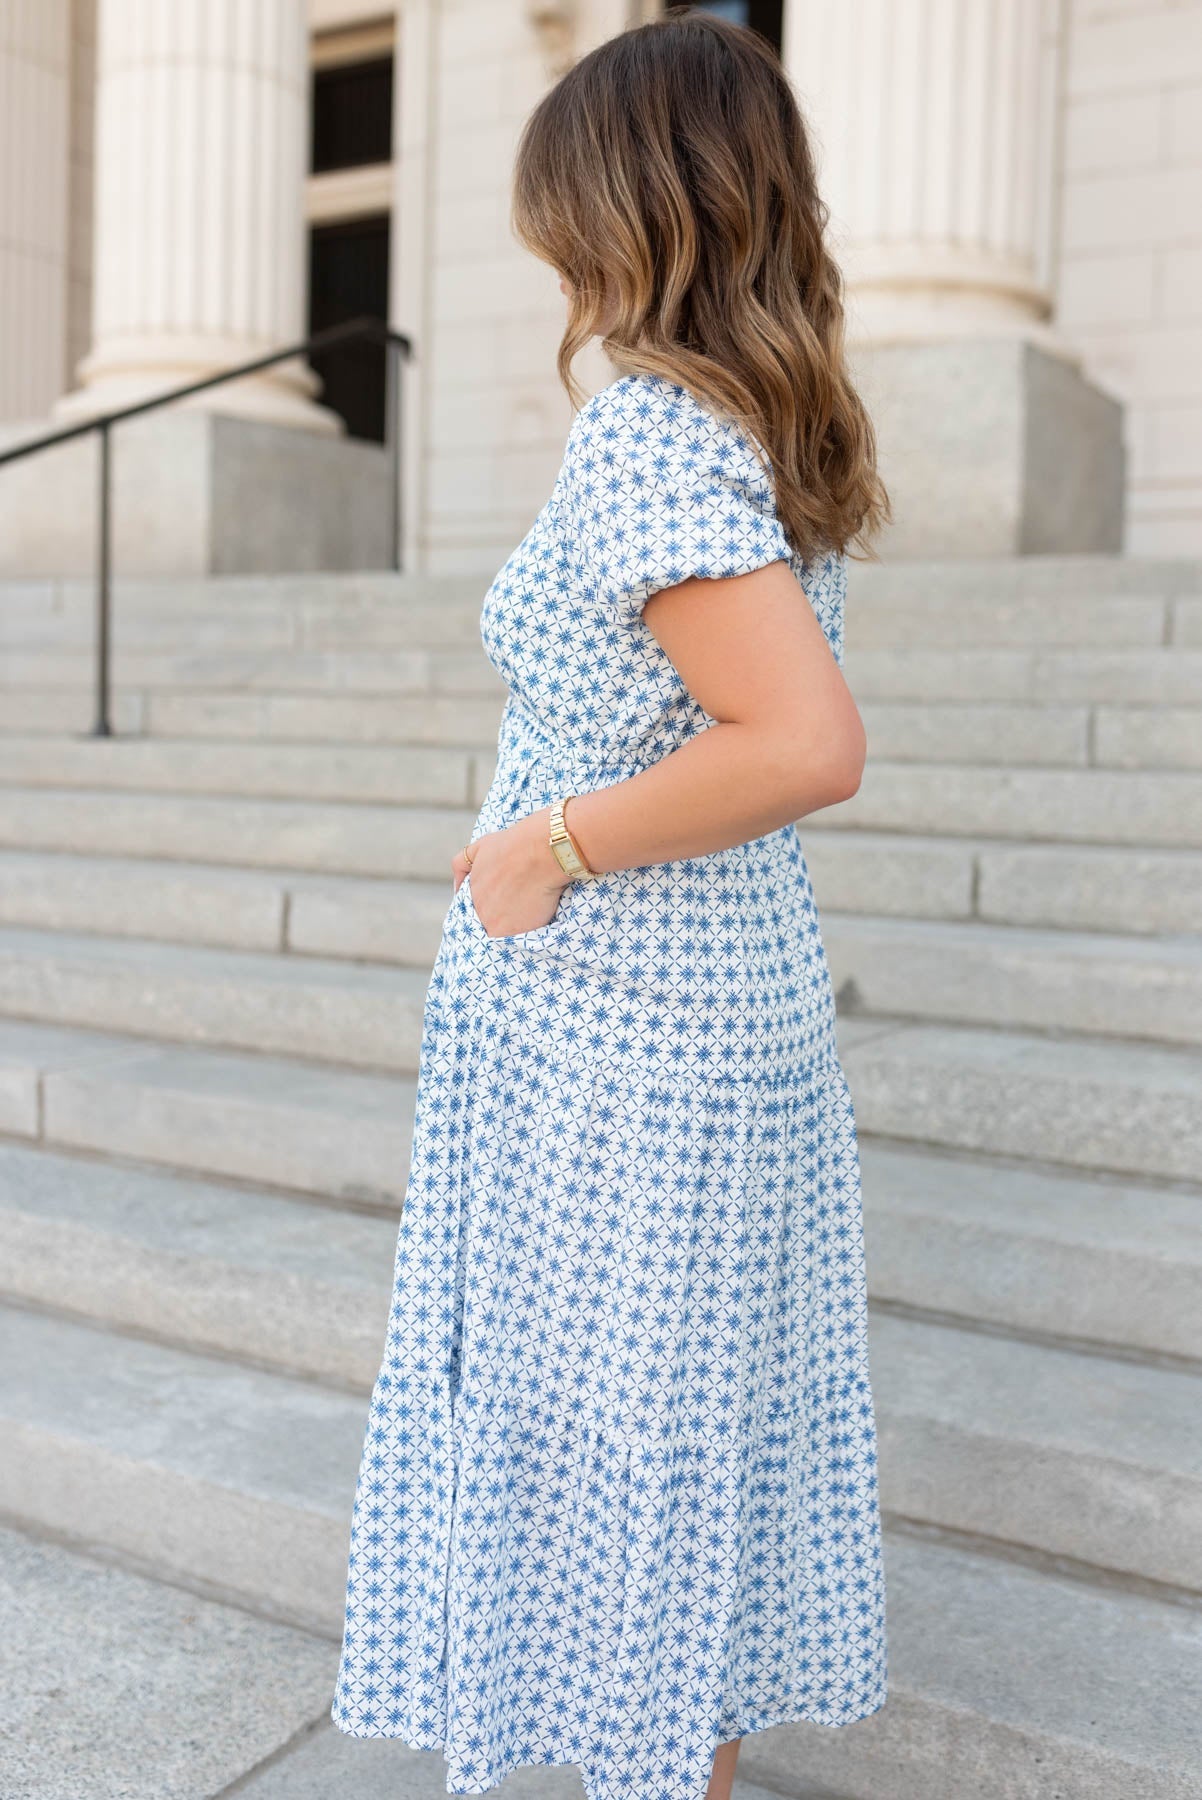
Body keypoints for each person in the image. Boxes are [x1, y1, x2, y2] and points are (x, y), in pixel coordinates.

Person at [332, 12, 890, 1800]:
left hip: (623, 1047)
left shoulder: (651, 434)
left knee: (608, 1460)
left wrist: (543, 848)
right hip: (701, 1021)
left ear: (627, 209)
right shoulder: (754, 425)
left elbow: (799, 740)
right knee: (674, 1457)